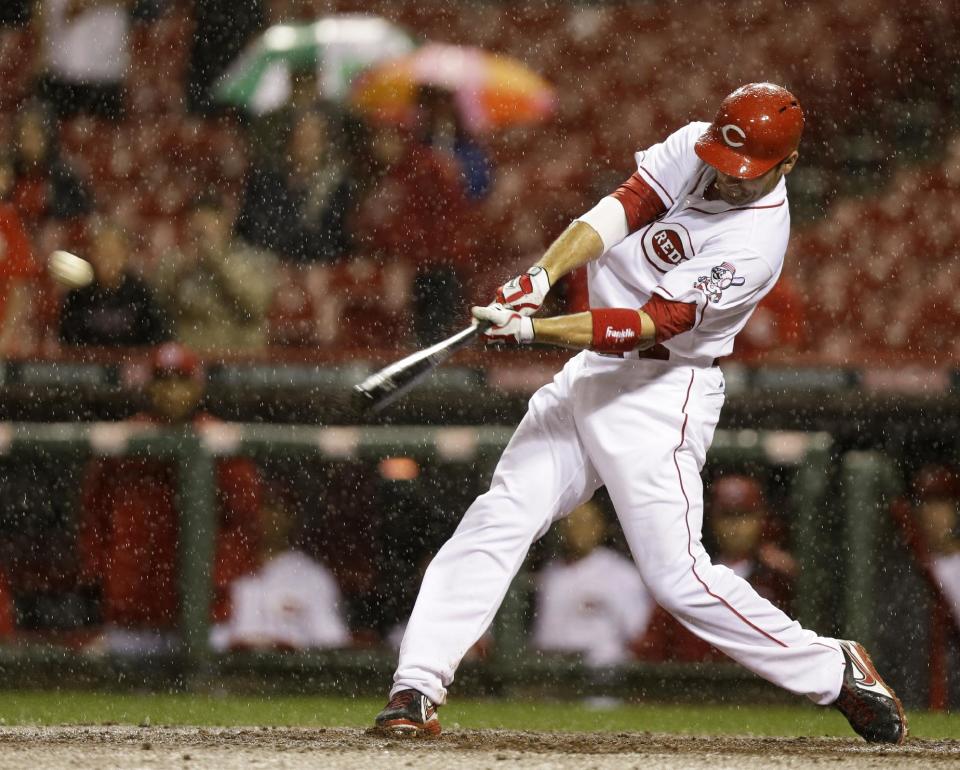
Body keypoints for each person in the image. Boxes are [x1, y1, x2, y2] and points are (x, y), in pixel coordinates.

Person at [372, 83, 906, 744]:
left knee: (678, 580)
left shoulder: (757, 243)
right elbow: (620, 209)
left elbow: (651, 324)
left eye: (746, 171)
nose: (725, 175)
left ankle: (834, 668)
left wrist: (534, 332)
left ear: (786, 166)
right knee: (503, 513)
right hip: (591, 372)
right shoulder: (697, 144)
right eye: (721, 156)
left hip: (661, 393)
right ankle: (416, 686)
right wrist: (539, 278)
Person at [78, 342, 262, 654]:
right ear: (148, 386)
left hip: (203, 607)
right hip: (134, 602)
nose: (172, 391)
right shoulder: (124, 439)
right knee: (126, 697)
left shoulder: (221, 441)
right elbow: (94, 513)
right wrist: (104, 570)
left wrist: (218, 577)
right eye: (164, 380)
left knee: (204, 693)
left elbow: (245, 519)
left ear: (197, 387)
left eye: (181, 380)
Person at [638, 474, 796, 663]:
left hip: (759, 688)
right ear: (712, 520)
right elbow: (652, 650)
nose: (736, 527)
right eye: (728, 515)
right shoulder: (687, 574)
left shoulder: (778, 578)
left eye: (744, 515)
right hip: (693, 685)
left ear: (761, 518)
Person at [210, 490, 351, 652]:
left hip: (291, 674)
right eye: (262, 507)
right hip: (229, 672)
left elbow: (332, 641)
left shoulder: (312, 577)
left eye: (276, 508)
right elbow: (204, 639)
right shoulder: (224, 568)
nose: (268, 516)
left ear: (292, 517)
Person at [532, 499, 653, 666]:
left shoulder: (621, 573)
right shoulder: (551, 573)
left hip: (601, 678)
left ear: (599, 526)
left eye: (584, 523)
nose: (577, 530)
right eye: (570, 523)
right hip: (550, 674)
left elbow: (639, 635)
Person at [153, 194, 275, 354]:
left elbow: (256, 306)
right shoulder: (175, 262)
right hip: (193, 361)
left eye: (208, 223)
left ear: (225, 225)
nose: (200, 230)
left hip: (241, 359)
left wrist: (217, 264)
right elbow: (156, 306)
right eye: (195, 223)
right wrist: (180, 272)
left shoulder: (250, 259)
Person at [59, 216, 170, 346]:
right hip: (88, 365)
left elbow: (156, 338)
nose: (107, 260)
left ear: (125, 255)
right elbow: (68, 341)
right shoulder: (78, 293)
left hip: (131, 364)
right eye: (102, 252)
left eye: (113, 253)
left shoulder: (140, 293)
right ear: (92, 254)